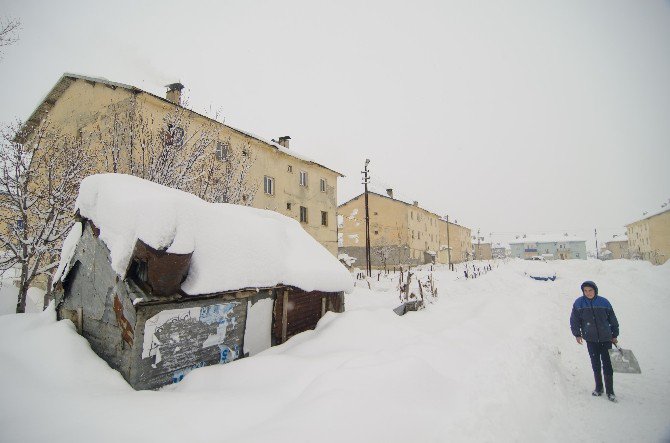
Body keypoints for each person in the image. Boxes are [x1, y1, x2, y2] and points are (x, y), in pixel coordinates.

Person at [570, 280, 619, 402]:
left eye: (590, 290)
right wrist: (577, 334)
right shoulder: (579, 303)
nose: (588, 293)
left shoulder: (604, 302)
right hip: (591, 339)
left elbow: (613, 319)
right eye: (585, 291)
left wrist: (614, 334)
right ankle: (599, 388)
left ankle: (610, 391)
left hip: (606, 338)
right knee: (595, 363)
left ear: (595, 290)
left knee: (607, 364)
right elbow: (574, 320)